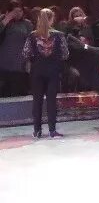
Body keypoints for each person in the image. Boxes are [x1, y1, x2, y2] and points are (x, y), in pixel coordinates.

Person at [21, 8, 68, 138]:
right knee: (51, 101)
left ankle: (37, 130)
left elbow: (25, 53)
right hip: (53, 71)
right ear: (52, 19)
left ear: (39, 19)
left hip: (37, 71)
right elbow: (65, 54)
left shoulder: (32, 35)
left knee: (37, 101)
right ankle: (52, 130)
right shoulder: (59, 35)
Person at [0, 1, 34, 97]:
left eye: (20, 11)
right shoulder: (3, 21)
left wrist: (29, 61)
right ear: (8, 12)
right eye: (15, 11)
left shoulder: (27, 24)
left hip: (19, 62)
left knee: (18, 93)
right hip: (3, 63)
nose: (18, 13)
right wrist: (6, 20)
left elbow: (30, 42)